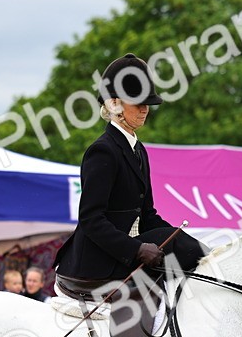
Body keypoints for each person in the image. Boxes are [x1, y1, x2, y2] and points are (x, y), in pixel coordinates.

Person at [53, 53, 206, 297]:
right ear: (115, 104)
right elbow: (91, 219)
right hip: (99, 260)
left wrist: (179, 238)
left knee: (182, 245)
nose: (145, 109)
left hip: (127, 252)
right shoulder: (102, 151)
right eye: (139, 103)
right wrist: (136, 249)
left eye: (148, 104)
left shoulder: (139, 150)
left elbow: (148, 216)